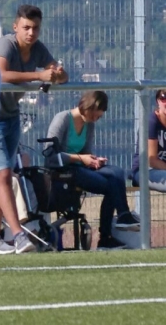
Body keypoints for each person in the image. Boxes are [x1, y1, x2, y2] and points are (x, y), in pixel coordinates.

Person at [0, 4, 68, 254]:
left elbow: (61, 75)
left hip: (11, 116)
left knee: (1, 178)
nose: (31, 33)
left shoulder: (38, 48)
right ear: (15, 27)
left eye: (35, 28)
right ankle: (18, 236)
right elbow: (0, 75)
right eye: (26, 27)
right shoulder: (6, 45)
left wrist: (57, 74)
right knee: (3, 176)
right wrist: (39, 76)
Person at [45, 90, 139, 250]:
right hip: (63, 170)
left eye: (98, 117)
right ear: (87, 107)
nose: (95, 119)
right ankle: (107, 236)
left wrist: (94, 161)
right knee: (112, 185)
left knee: (117, 172)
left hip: (80, 166)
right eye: (94, 115)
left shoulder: (89, 125)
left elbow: (85, 152)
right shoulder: (62, 119)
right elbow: (50, 155)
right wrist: (81, 159)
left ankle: (123, 217)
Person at [132, 88, 166, 193]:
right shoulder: (151, 122)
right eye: (163, 99)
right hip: (145, 170)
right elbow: (152, 160)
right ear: (158, 101)